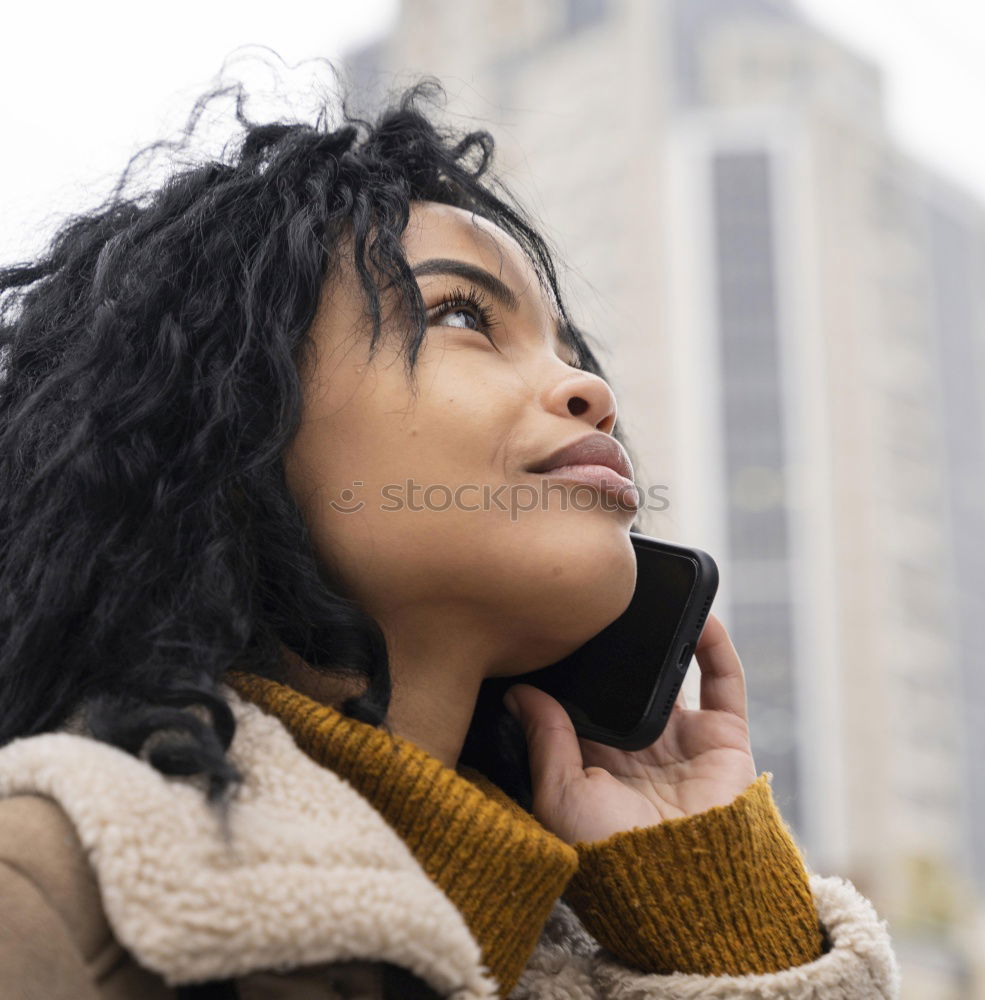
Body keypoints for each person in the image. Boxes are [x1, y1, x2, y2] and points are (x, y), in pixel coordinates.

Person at [0, 67, 900, 999]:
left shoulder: (591, 941)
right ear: (231, 415)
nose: (592, 393)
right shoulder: (46, 884)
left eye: (573, 354)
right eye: (463, 314)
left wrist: (721, 918)